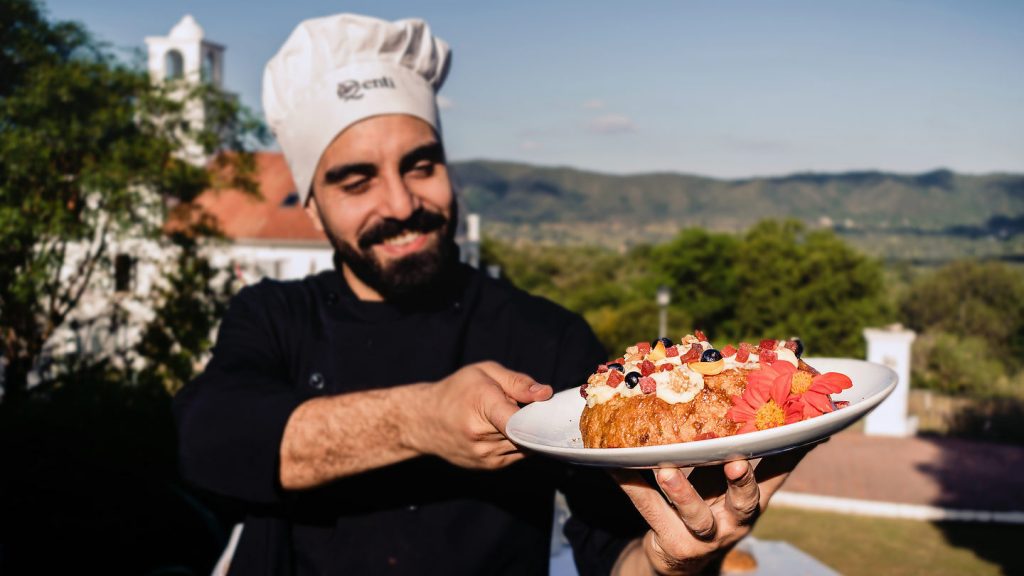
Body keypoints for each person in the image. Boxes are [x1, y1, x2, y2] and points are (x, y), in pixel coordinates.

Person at [173, 13, 807, 576]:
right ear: (311, 208)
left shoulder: (542, 334)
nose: (401, 204)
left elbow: (614, 546)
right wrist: (422, 419)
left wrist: (674, 559)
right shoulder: (273, 316)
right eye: (356, 180)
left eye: (421, 165)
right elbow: (213, 445)